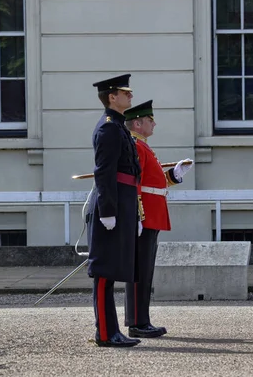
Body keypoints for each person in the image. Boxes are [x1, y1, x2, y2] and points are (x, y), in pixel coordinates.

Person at [123, 99, 194, 338]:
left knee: (145, 270)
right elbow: (134, 185)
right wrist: (138, 216)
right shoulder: (134, 146)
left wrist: (174, 174)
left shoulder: (143, 147)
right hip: (144, 216)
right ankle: (137, 323)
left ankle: (141, 320)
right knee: (140, 271)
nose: (154, 124)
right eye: (150, 120)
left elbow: (155, 182)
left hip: (152, 214)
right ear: (138, 122)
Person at [86, 74, 142, 347]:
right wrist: (108, 211)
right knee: (104, 272)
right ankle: (106, 333)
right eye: (125, 92)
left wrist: (135, 213)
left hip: (123, 202)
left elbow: (132, 173)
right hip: (112, 204)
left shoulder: (118, 127)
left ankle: (112, 330)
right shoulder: (108, 128)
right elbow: (104, 173)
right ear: (112, 97)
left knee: (112, 270)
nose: (130, 96)